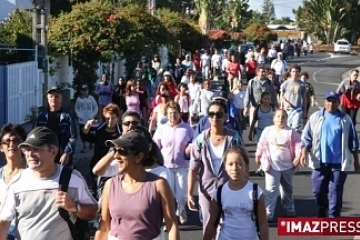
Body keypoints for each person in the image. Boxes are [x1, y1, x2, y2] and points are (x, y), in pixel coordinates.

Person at [0, 127, 98, 240]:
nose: (30, 154)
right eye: (27, 149)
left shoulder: (73, 179)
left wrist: (75, 206)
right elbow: (4, 221)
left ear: (53, 152)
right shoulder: (17, 182)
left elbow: (93, 212)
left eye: (36, 149)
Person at [94, 131, 180, 240]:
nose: (116, 156)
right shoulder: (110, 185)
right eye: (115, 151)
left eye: (122, 151)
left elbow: (172, 225)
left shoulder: (159, 185)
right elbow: (104, 226)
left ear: (138, 157)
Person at [301, 92, 360, 218]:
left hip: (339, 162)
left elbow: (353, 140)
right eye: (328, 101)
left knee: (336, 191)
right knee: (318, 190)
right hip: (319, 161)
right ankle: (322, 206)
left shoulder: (345, 119)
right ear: (324, 102)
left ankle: (334, 217)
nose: (331, 104)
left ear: (339, 103)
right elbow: (307, 138)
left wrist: (356, 160)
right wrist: (303, 153)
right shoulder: (316, 117)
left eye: (334, 101)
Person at [188, 101, 244, 232]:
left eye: (219, 114)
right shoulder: (201, 140)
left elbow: (244, 163)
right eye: (211, 114)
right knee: (208, 226)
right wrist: (189, 193)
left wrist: (244, 188)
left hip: (229, 189)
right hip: (206, 190)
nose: (214, 117)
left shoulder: (234, 138)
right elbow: (193, 168)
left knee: (227, 225)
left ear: (225, 117)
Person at [204, 147, 269, 240]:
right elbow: (212, 223)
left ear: (246, 166)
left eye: (239, 164)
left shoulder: (255, 192)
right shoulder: (219, 193)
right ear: (225, 167)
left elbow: (263, 224)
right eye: (230, 164)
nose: (234, 168)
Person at [256, 109, 301, 222]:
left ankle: (289, 208)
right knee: (271, 189)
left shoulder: (291, 132)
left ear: (286, 119)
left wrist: (297, 157)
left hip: (288, 166)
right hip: (272, 165)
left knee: (287, 189)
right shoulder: (268, 130)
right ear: (273, 118)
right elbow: (261, 144)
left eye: (283, 117)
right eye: (278, 116)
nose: (280, 119)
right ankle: (268, 213)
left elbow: (298, 145)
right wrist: (258, 155)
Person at [153, 101, 194, 224]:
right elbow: (155, 145)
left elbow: (195, 142)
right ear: (167, 114)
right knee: (167, 195)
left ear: (180, 113)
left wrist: (190, 147)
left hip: (182, 166)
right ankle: (168, 219)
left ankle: (181, 210)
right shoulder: (162, 129)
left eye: (175, 113)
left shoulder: (187, 128)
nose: (173, 116)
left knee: (181, 194)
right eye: (170, 113)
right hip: (166, 167)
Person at [82, 103, 122, 199]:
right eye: (108, 118)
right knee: (98, 194)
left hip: (115, 168)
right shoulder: (100, 130)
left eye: (113, 118)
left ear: (117, 118)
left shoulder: (121, 132)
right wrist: (86, 128)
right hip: (98, 164)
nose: (110, 121)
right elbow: (87, 137)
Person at [36, 87, 77, 166]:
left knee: (64, 177)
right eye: (51, 96)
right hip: (46, 155)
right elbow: (36, 137)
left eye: (56, 96)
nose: (53, 98)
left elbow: (73, 137)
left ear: (61, 99)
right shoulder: (41, 117)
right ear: (47, 99)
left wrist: (67, 153)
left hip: (62, 155)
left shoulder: (67, 116)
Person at [0, 124, 27, 240]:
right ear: (1, 147)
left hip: (23, 231)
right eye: (7, 141)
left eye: (16, 140)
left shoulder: (32, 174)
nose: (12, 144)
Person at [280, 64, 307, 133]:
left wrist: (305, 111)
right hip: (287, 110)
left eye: (297, 71)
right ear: (290, 72)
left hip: (297, 109)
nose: (295, 73)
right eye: (293, 71)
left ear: (299, 73)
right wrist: (285, 102)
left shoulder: (302, 84)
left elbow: (304, 98)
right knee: (287, 128)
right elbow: (281, 96)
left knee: (295, 128)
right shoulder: (285, 83)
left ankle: (294, 143)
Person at [75, 84, 99, 153]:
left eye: (86, 90)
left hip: (90, 119)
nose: (85, 92)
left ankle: (90, 143)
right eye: (83, 90)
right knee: (82, 134)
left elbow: (95, 107)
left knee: (89, 133)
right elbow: (76, 108)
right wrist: (79, 115)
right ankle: (85, 146)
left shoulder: (91, 98)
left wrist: (93, 114)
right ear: (81, 91)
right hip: (82, 120)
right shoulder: (79, 99)